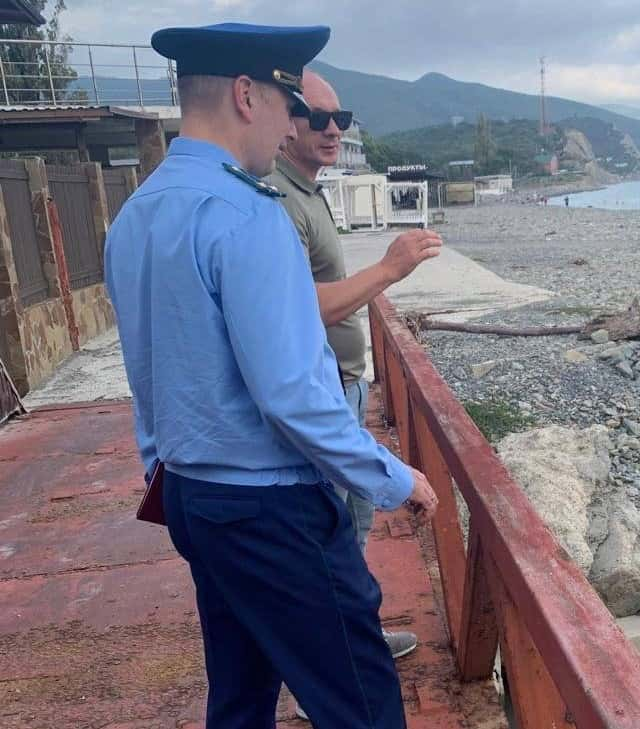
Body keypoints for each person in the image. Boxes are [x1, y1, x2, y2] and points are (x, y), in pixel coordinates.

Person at [104, 22, 438, 729]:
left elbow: (148, 372)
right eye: (292, 105)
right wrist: (391, 475)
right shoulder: (247, 216)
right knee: (361, 696)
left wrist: (163, 468)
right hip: (268, 508)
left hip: (192, 496)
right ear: (246, 94)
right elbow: (292, 394)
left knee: (240, 691)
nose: (294, 126)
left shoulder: (135, 216)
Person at [265, 71, 442, 671]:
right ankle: (335, 662)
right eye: (318, 118)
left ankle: (352, 636)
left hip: (345, 383)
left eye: (342, 118)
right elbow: (304, 307)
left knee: (355, 520)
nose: (333, 129)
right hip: (323, 389)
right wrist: (390, 269)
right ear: (286, 123)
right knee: (331, 532)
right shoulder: (280, 199)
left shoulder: (308, 191)